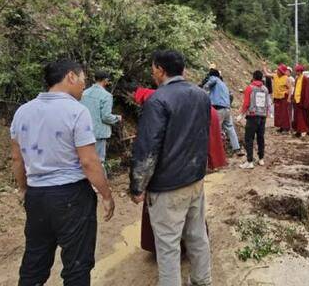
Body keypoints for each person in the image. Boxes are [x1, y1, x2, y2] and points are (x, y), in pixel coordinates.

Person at [10, 60, 114, 286]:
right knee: (77, 264)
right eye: (83, 81)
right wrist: (106, 194)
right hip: (72, 195)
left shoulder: (22, 112)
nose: (83, 88)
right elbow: (88, 161)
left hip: (36, 196)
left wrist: (24, 189)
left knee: (34, 262)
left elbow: (17, 159)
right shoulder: (77, 111)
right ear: (70, 77)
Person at [130, 50, 212, 286]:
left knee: (167, 246)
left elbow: (147, 149)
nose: (152, 73)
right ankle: (202, 280)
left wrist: (137, 187)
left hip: (167, 186)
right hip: (195, 180)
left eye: (153, 68)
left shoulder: (157, 100)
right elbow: (202, 135)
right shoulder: (200, 95)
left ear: (160, 70)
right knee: (197, 236)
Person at [80, 70, 122, 168]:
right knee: (99, 162)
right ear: (106, 80)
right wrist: (117, 118)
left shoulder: (84, 93)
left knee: (85, 161)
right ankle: (99, 183)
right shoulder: (107, 96)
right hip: (98, 134)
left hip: (84, 132)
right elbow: (106, 116)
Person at [203, 68, 243, 156]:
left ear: (212, 75)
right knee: (230, 128)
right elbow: (231, 96)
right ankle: (237, 149)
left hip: (218, 109)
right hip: (227, 109)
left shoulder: (214, 79)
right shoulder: (223, 84)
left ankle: (217, 153)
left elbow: (207, 86)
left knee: (215, 130)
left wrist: (203, 90)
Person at [239, 70, 270, 170]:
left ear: (253, 77)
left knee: (249, 139)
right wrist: (268, 113)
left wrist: (241, 114)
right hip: (263, 117)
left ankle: (249, 161)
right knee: (261, 138)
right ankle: (261, 159)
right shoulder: (265, 89)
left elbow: (246, 103)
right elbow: (267, 103)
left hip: (252, 117)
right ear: (261, 78)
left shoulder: (250, 88)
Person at [263, 62, 291, 132]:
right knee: (278, 114)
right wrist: (264, 65)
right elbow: (266, 74)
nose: (277, 71)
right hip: (277, 98)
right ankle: (281, 127)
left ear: (282, 72)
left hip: (283, 98)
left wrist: (289, 98)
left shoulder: (286, 78)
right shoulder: (275, 76)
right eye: (278, 70)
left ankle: (286, 128)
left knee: (284, 114)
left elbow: (290, 89)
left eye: (279, 71)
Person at [292, 64, 309, 137]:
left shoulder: (305, 79)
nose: (296, 72)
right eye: (296, 71)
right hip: (297, 100)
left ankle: (307, 131)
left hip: (302, 101)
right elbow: (296, 89)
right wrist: (293, 97)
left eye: (298, 71)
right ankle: (298, 131)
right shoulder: (297, 79)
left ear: (301, 71)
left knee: (304, 117)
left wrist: (306, 102)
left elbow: (307, 91)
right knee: (297, 118)